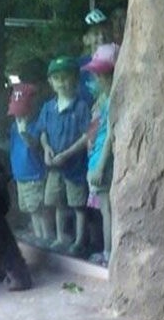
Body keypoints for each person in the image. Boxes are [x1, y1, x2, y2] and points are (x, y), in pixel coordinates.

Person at [36, 56, 91, 256]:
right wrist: (46, 148)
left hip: (74, 166)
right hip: (54, 166)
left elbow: (87, 136)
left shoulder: (81, 106)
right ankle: (60, 237)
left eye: (66, 77)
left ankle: (79, 240)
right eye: (57, 78)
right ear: (51, 82)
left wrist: (67, 154)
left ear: (75, 79)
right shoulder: (48, 107)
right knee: (58, 203)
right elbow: (42, 132)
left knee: (78, 205)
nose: (62, 83)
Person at [0, 83, 53, 244]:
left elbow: (34, 146)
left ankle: (46, 237)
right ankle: (38, 235)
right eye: (16, 115)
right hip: (21, 177)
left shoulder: (36, 126)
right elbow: (11, 147)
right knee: (31, 210)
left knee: (40, 209)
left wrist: (24, 132)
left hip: (34, 176)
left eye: (22, 114)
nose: (19, 119)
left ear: (31, 110)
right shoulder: (14, 127)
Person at [81, 43, 120, 267]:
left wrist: (100, 166)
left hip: (102, 166)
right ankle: (106, 251)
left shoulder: (112, 101)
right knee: (103, 210)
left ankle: (109, 254)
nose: (95, 79)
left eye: (101, 74)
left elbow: (110, 136)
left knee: (107, 210)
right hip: (95, 163)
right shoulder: (101, 101)